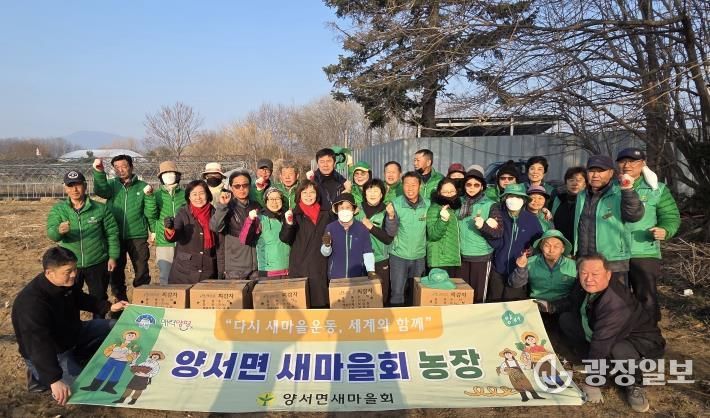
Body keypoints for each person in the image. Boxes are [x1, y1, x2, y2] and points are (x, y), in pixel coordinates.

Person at [11, 247, 128, 405]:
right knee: (85, 388)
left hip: (74, 333)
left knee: (116, 327)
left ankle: (77, 356)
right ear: (49, 273)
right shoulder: (32, 304)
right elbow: (38, 344)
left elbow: (80, 298)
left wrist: (108, 307)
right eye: (68, 271)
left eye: (75, 269)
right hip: (53, 352)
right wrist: (54, 379)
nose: (74, 274)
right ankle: (39, 376)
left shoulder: (65, 283)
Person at [551, 255, 665, 413]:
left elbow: (601, 342)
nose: (589, 279)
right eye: (584, 273)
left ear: (608, 274)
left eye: (595, 274)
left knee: (617, 349)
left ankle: (634, 383)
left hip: (641, 344)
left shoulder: (615, 303)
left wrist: (593, 381)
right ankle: (599, 363)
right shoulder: (585, 285)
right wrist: (550, 306)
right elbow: (571, 302)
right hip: (605, 334)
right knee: (567, 320)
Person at [616, 148, 680, 322]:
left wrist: (665, 230)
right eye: (623, 161)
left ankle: (649, 331)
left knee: (646, 297)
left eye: (633, 161)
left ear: (643, 163)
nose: (627, 165)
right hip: (615, 253)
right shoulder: (611, 188)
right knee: (617, 297)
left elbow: (671, 216)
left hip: (644, 252)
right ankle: (623, 331)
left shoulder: (656, 189)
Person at [46, 170, 119, 306]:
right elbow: (51, 234)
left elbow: (112, 233)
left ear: (85, 186)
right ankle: (72, 319)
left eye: (78, 185)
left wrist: (113, 256)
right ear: (65, 188)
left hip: (97, 262)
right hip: (70, 265)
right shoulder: (59, 210)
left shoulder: (100, 209)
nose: (74, 189)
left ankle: (99, 319)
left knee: (99, 298)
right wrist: (58, 231)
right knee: (69, 299)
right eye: (70, 186)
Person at [92, 155, 156, 302]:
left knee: (141, 268)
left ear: (131, 167)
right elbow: (100, 190)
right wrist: (99, 172)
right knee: (116, 270)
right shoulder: (112, 185)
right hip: (115, 235)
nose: (120, 170)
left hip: (137, 235)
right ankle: (120, 301)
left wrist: (153, 230)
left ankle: (141, 300)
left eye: (124, 166)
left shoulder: (142, 186)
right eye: (117, 167)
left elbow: (149, 211)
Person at [573, 155, 644, 285]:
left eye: (601, 171)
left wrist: (628, 190)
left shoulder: (620, 192)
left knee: (615, 296)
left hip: (613, 260)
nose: (595, 175)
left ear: (611, 173)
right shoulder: (582, 195)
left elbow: (634, 215)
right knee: (589, 295)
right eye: (592, 171)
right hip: (585, 259)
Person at [280, 179, 332, 308]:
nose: (308, 196)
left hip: (321, 265)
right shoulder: (295, 214)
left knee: (321, 305)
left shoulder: (326, 214)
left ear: (317, 194)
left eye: (312, 192)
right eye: (304, 192)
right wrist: (289, 224)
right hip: (300, 266)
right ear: (299, 195)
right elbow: (285, 238)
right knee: (302, 306)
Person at [487, 184, 543, 302]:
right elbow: (492, 240)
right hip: (497, 268)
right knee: (494, 302)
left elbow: (539, 241)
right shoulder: (498, 216)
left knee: (514, 304)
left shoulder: (531, 219)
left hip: (518, 269)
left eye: (518, 197)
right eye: (510, 196)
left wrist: (532, 250)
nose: (514, 200)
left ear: (524, 200)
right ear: (504, 199)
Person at [456, 166, 503, 303]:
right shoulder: (458, 203)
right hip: (460, 256)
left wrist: (483, 226)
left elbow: (498, 232)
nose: (472, 187)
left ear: (482, 186)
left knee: (478, 298)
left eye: (476, 185)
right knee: (461, 296)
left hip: (481, 257)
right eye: (468, 184)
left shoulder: (491, 205)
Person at [164, 180, 219, 284]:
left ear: (207, 195)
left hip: (207, 271)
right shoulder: (183, 213)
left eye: (201, 193)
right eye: (194, 194)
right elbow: (175, 234)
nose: (198, 198)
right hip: (184, 272)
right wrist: (169, 228)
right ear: (189, 197)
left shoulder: (215, 213)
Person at [388, 171, 430, 306]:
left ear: (420, 186)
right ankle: (397, 316)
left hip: (419, 256)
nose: (410, 188)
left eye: (414, 185)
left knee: (416, 293)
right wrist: (391, 217)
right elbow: (390, 232)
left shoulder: (427, 205)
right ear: (402, 185)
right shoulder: (395, 204)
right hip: (399, 255)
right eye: (406, 184)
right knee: (397, 293)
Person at [210, 171, 260, 279]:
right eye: (237, 186)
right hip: (235, 267)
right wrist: (222, 206)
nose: (241, 189)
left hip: (256, 265)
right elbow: (215, 227)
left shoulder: (256, 206)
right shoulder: (227, 207)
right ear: (231, 188)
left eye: (245, 185)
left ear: (249, 186)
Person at [508, 229, 577, 305]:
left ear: (563, 249)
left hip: (564, 307)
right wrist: (521, 268)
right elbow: (515, 284)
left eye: (556, 246)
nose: (551, 250)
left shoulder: (574, 266)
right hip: (537, 306)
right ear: (541, 246)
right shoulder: (530, 262)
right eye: (547, 245)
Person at [357, 179, 398, 304]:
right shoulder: (357, 209)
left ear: (381, 194)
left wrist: (371, 227)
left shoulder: (387, 211)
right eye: (369, 190)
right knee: (360, 296)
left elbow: (388, 239)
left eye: (376, 191)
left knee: (380, 295)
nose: (372, 194)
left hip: (379, 260)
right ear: (365, 193)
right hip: (358, 260)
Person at [321, 193, 376, 279]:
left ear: (353, 210)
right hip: (336, 276)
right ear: (337, 210)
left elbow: (367, 252)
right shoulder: (331, 227)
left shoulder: (361, 228)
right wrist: (327, 245)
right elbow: (325, 253)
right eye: (341, 208)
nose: (345, 210)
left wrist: (371, 271)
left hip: (358, 276)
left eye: (348, 207)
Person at [240, 187, 291, 277]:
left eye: (278, 198)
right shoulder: (260, 219)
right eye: (271, 199)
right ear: (266, 201)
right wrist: (250, 220)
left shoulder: (287, 218)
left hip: (289, 271)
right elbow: (244, 239)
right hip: (269, 272)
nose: (274, 202)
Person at [152, 161, 186, 285]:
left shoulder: (185, 194)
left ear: (177, 176)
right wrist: (153, 231)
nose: (169, 176)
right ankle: (166, 295)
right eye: (165, 174)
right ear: (161, 177)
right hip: (164, 240)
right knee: (165, 274)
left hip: (184, 240)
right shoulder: (156, 195)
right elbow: (151, 215)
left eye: (172, 173)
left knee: (184, 273)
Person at [426, 178, 462, 277]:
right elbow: (433, 235)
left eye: (452, 191)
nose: (449, 194)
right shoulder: (435, 209)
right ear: (439, 193)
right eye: (445, 192)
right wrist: (443, 220)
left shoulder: (453, 208)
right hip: (440, 260)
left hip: (451, 259)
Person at [551, 166, 587, 245]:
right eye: (571, 180)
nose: (575, 183)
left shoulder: (588, 202)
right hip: (560, 246)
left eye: (579, 180)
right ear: (566, 183)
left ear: (585, 184)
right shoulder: (558, 199)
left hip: (581, 246)